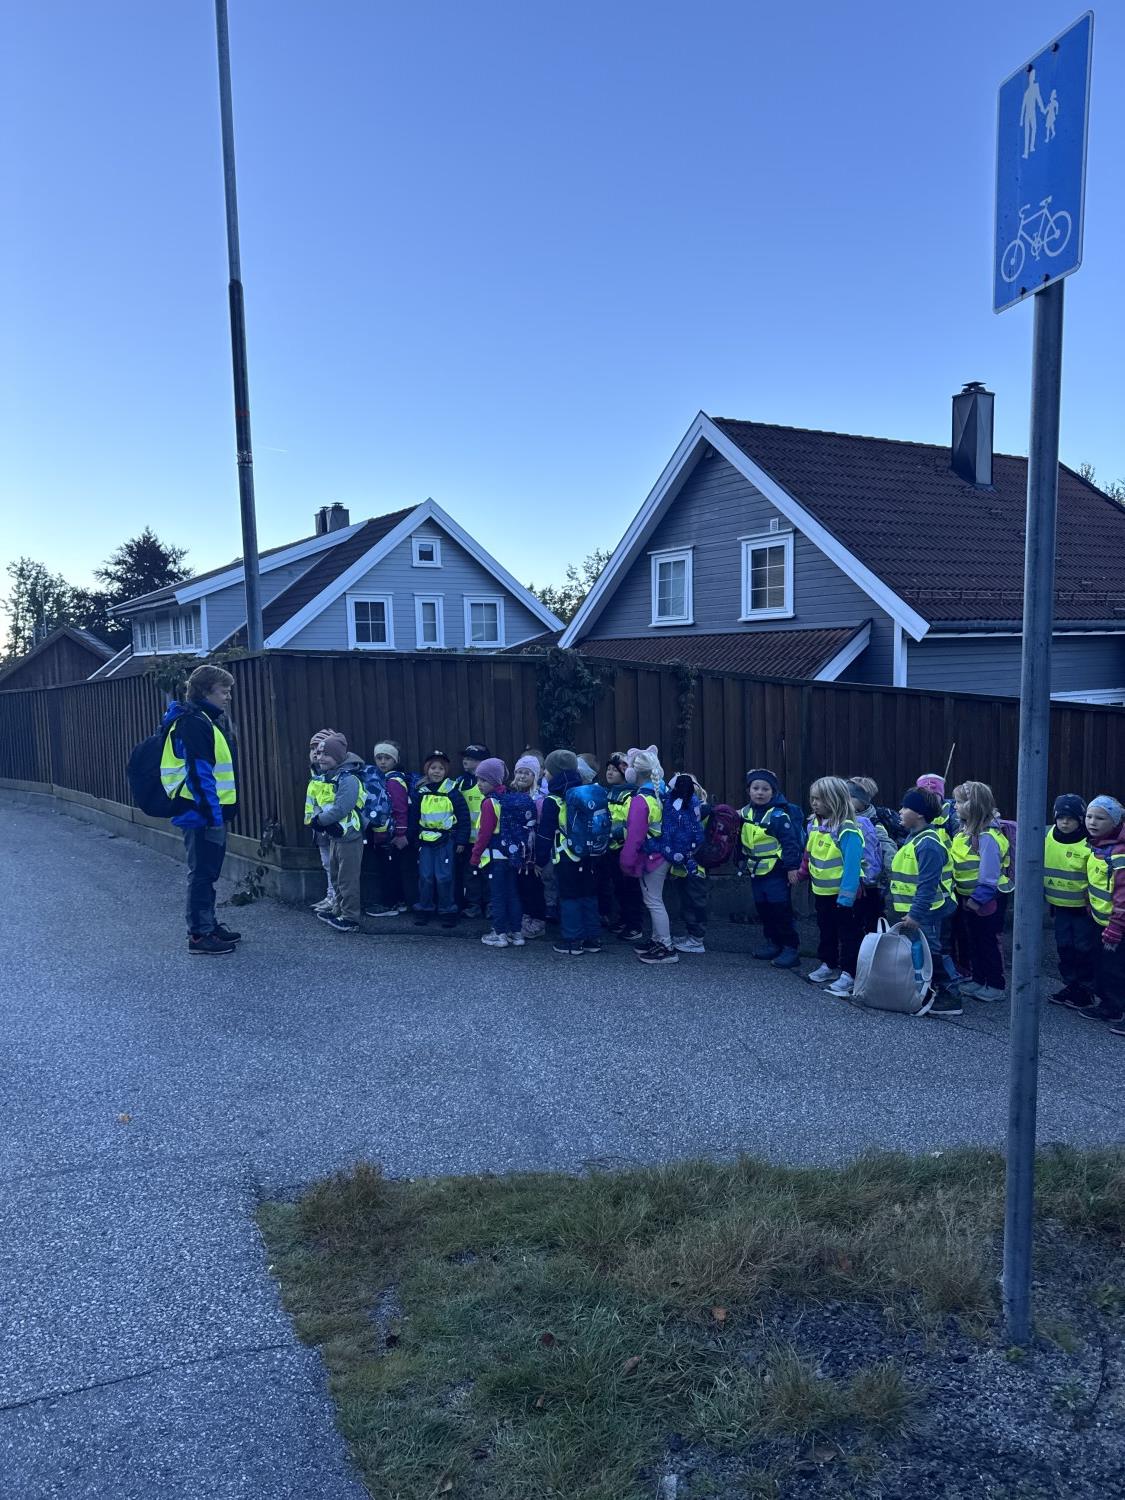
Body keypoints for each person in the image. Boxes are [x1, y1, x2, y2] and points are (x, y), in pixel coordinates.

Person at [160, 664, 241, 956]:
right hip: (201, 814)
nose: (228, 697)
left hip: (205, 811)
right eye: (223, 691)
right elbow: (199, 773)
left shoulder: (203, 719)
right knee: (203, 873)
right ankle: (199, 934)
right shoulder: (195, 723)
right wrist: (212, 816)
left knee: (207, 872)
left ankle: (208, 924)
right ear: (206, 691)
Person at [889, 787, 962, 1018]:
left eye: (905, 807)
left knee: (934, 952)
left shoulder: (928, 844)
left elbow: (927, 885)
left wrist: (916, 915)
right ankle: (930, 991)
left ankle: (950, 995)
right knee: (925, 951)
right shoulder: (915, 837)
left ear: (920, 813)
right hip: (918, 911)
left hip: (929, 912)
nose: (900, 811)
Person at [536, 749, 603, 957]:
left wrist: (540, 859)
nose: (545, 773)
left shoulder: (553, 800)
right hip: (590, 854)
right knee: (589, 894)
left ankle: (573, 940)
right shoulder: (586, 792)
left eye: (547, 770)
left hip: (567, 856)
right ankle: (593, 938)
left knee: (569, 896)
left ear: (555, 773)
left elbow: (545, 834)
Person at [950, 781, 1013, 1002]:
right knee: (974, 940)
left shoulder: (987, 838)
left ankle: (995, 985)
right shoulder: (965, 833)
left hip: (986, 899)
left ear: (973, 805)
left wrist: (977, 900)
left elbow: (989, 874)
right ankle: (978, 979)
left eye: (959, 802)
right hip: (968, 898)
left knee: (988, 942)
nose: (955, 806)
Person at [800, 776, 862, 994]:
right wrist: (802, 872)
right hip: (821, 891)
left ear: (835, 799)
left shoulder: (847, 830)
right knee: (826, 930)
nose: (814, 803)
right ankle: (828, 963)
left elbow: (852, 866)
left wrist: (846, 897)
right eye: (813, 798)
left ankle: (849, 973)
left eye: (819, 799)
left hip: (843, 895)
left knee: (847, 934)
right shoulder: (814, 825)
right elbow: (809, 853)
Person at [1071, 795, 1125, 1033]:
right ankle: (1110, 1006)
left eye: (1100, 818)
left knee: (1117, 968)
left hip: (1117, 924)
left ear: (1115, 822)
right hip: (1099, 919)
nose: (1092, 822)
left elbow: (1122, 893)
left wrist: (1116, 926)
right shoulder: (1097, 846)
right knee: (1103, 966)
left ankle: (1116, 1007)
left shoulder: (1119, 854)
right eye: (1089, 816)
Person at [739, 769, 801, 969]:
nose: (760, 792)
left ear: (773, 792)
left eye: (765, 789)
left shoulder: (778, 816)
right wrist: (739, 859)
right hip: (755, 871)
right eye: (755, 788)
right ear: (749, 790)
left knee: (781, 910)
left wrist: (792, 868)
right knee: (764, 910)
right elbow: (740, 839)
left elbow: (790, 844)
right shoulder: (745, 813)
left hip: (776, 871)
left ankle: (790, 949)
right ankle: (773, 943)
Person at [620, 746, 677, 964]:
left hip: (650, 857)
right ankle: (657, 940)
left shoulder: (641, 800)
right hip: (663, 853)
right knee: (655, 899)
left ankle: (665, 946)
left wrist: (626, 861)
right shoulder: (662, 792)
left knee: (653, 901)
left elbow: (635, 836)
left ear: (634, 773)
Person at [308, 733, 366, 932]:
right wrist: (323, 823)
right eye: (319, 753)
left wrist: (320, 821)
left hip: (349, 835)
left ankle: (350, 917)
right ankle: (338, 910)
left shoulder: (349, 779)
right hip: (336, 834)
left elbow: (342, 807)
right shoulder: (331, 777)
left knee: (347, 879)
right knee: (336, 876)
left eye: (326, 754)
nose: (320, 758)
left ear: (338, 757)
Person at [1043, 794, 1096, 1009]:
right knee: (1064, 947)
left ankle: (1085, 990)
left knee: (1083, 949)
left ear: (1080, 819)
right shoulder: (1048, 836)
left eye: (1071, 818)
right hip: (1059, 906)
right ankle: (1071, 985)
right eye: (1061, 817)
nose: (1065, 822)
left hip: (1083, 910)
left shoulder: (1089, 842)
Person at [470, 757, 525, 948]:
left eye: (484, 780)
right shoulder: (509, 797)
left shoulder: (489, 803)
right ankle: (517, 933)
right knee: (512, 894)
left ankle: (499, 933)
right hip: (512, 856)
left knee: (498, 896)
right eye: (478, 779)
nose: (479, 784)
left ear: (494, 780)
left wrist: (475, 856)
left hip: (495, 858)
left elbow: (484, 833)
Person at [410, 751, 469, 928]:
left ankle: (448, 911)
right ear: (427, 770)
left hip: (446, 840)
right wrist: (413, 838)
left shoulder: (453, 792)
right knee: (425, 877)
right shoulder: (420, 792)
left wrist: (461, 841)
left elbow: (464, 818)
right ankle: (424, 909)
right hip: (425, 841)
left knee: (445, 877)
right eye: (433, 768)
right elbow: (413, 817)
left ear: (446, 771)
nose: (437, 771)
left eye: (441, 768)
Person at [364, 740, 413, 917]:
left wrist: (400, 833)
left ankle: (390, 904)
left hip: (391, 835)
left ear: (395, 760)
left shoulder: (393, 781)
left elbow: (401, 808)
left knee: (389, 870)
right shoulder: (381, 778)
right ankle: (399, 902)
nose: (383, 762)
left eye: (387, 758)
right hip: (382, 833)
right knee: (389, 868)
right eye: (379, 758)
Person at [667, 773, 709, 955]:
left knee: (694, 901)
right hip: (687, 866)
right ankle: (692, 935)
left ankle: (697, 939)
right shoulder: (697, 809)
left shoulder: (695, 811)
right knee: (689, 901)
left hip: (693, 866)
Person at [606, 752, 644, 942]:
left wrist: (616, 832)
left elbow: (632, 821)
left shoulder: (631, 794)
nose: (609, 773)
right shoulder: (608, 792)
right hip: (611, 847)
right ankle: (624, 918)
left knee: (631, 888)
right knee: (618, 887)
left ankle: (635, 924)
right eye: (608, 769)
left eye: (615, 770)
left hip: (626, 847)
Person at [846, 780, 891, 936]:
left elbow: (887, 847)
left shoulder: (873, 823)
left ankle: (876, 945)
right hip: (852, 881)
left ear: (862, 801)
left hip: (872, 884)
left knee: (874, 917)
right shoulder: (842, 819)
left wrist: (888, 874)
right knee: (852, 920)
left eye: (850, 797)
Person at [304, 728, 340, 916]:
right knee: (326, 862)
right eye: (312, 749)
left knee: (336, 863)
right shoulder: (315, 774)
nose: (316, 754)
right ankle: (330, 895)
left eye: (320, 749)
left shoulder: (337, 775)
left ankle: (337, 899)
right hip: (318, 825)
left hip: (334, 825)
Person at [511, 753, 547, 939]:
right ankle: (524, 918)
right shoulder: (512, 796)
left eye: (527, 773)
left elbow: (541, 828)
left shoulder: (539, 799)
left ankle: (538, 921)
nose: (522, 776)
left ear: (535, 776)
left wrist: (539, 856)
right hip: (517, 849)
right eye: (519, 772)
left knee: (533, 886)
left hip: (532, 852)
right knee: (521, 885)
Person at [454, 744, 490, 918]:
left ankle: (490, 904)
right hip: (468, 840)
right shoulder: (460, 782)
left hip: (488, 839)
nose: (465, 761)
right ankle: (473, 904)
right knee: (471, 873)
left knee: (488, 873)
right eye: (465, 757)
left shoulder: (490, 782)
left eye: (471, 758)